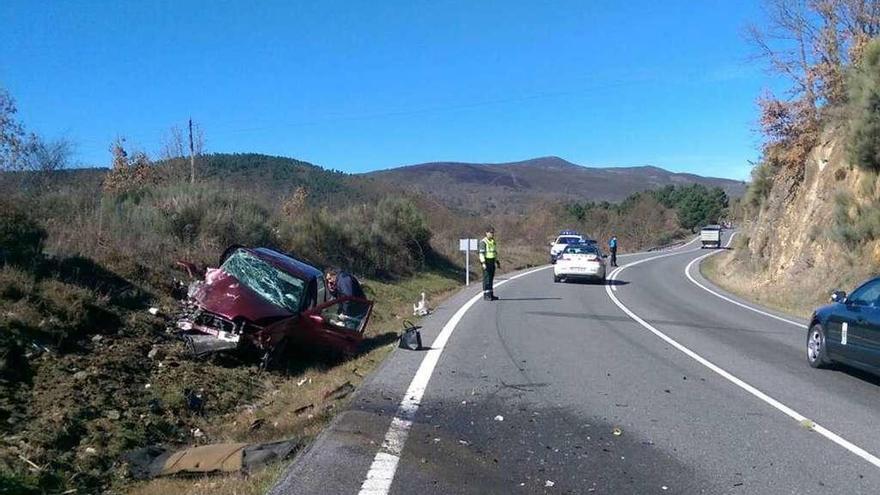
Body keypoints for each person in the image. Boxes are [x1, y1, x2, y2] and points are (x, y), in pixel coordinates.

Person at [478, 227, 501, 301]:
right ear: (486, 233)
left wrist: (497, 262)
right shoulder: (483, 242)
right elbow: (481, 254)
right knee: (487, 279)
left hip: (492, 261)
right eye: (490, 233)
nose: (492, 234)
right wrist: (483, 263)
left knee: (491, 278)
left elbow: (494, 252)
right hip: (486, 262)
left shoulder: (493, 241)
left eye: (493, 232)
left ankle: (491, 294)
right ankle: (486, 295)